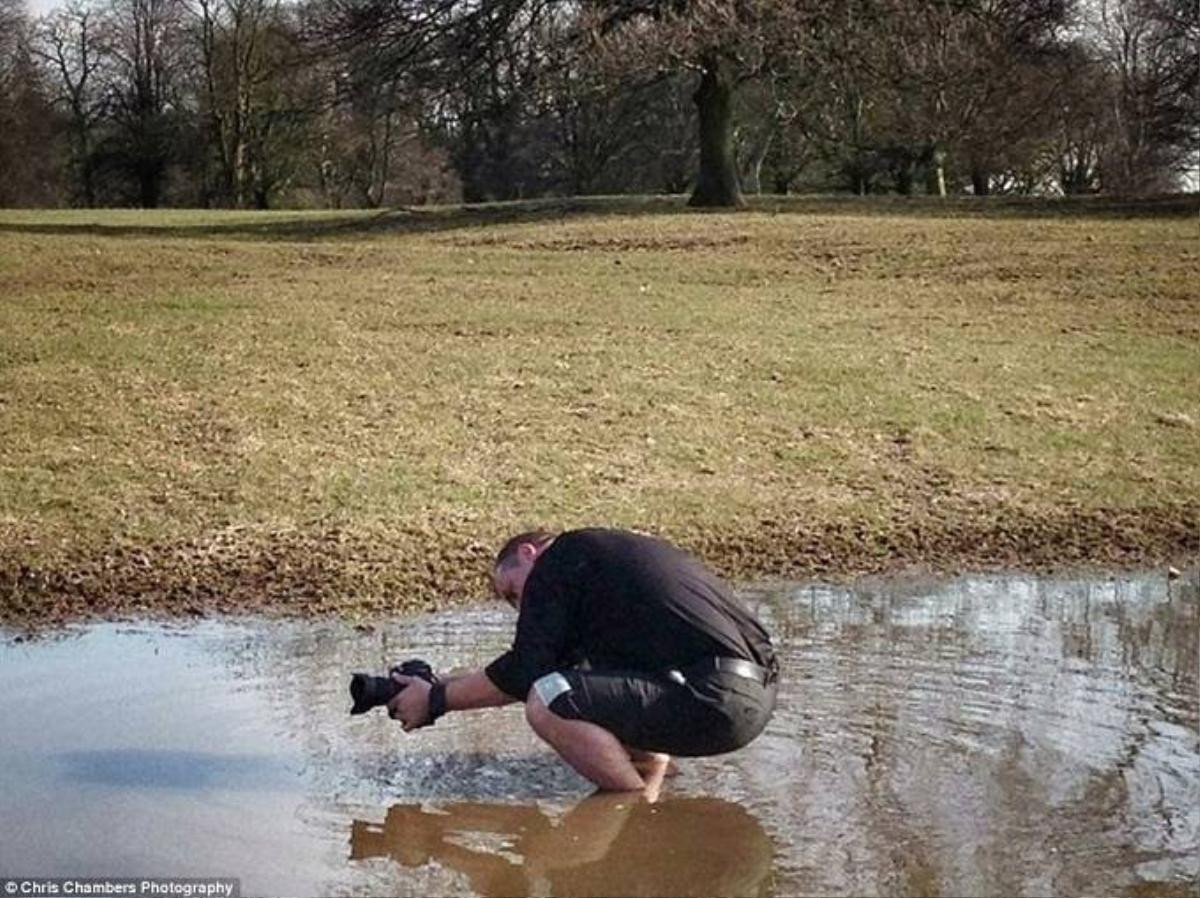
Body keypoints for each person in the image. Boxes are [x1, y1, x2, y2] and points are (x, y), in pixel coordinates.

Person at [386, 527, 779, 796]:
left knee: (549, 698)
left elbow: (526, 675)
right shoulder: (603, 574)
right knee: (578, 689)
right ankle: (656, 781)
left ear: (529, 553)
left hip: (714, 695)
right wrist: (436, 686)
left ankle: (632, 810)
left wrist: (435, 701)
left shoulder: (561, 558)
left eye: (511, 592)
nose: (518, 606)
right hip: (749, 700)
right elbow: (526, 670)